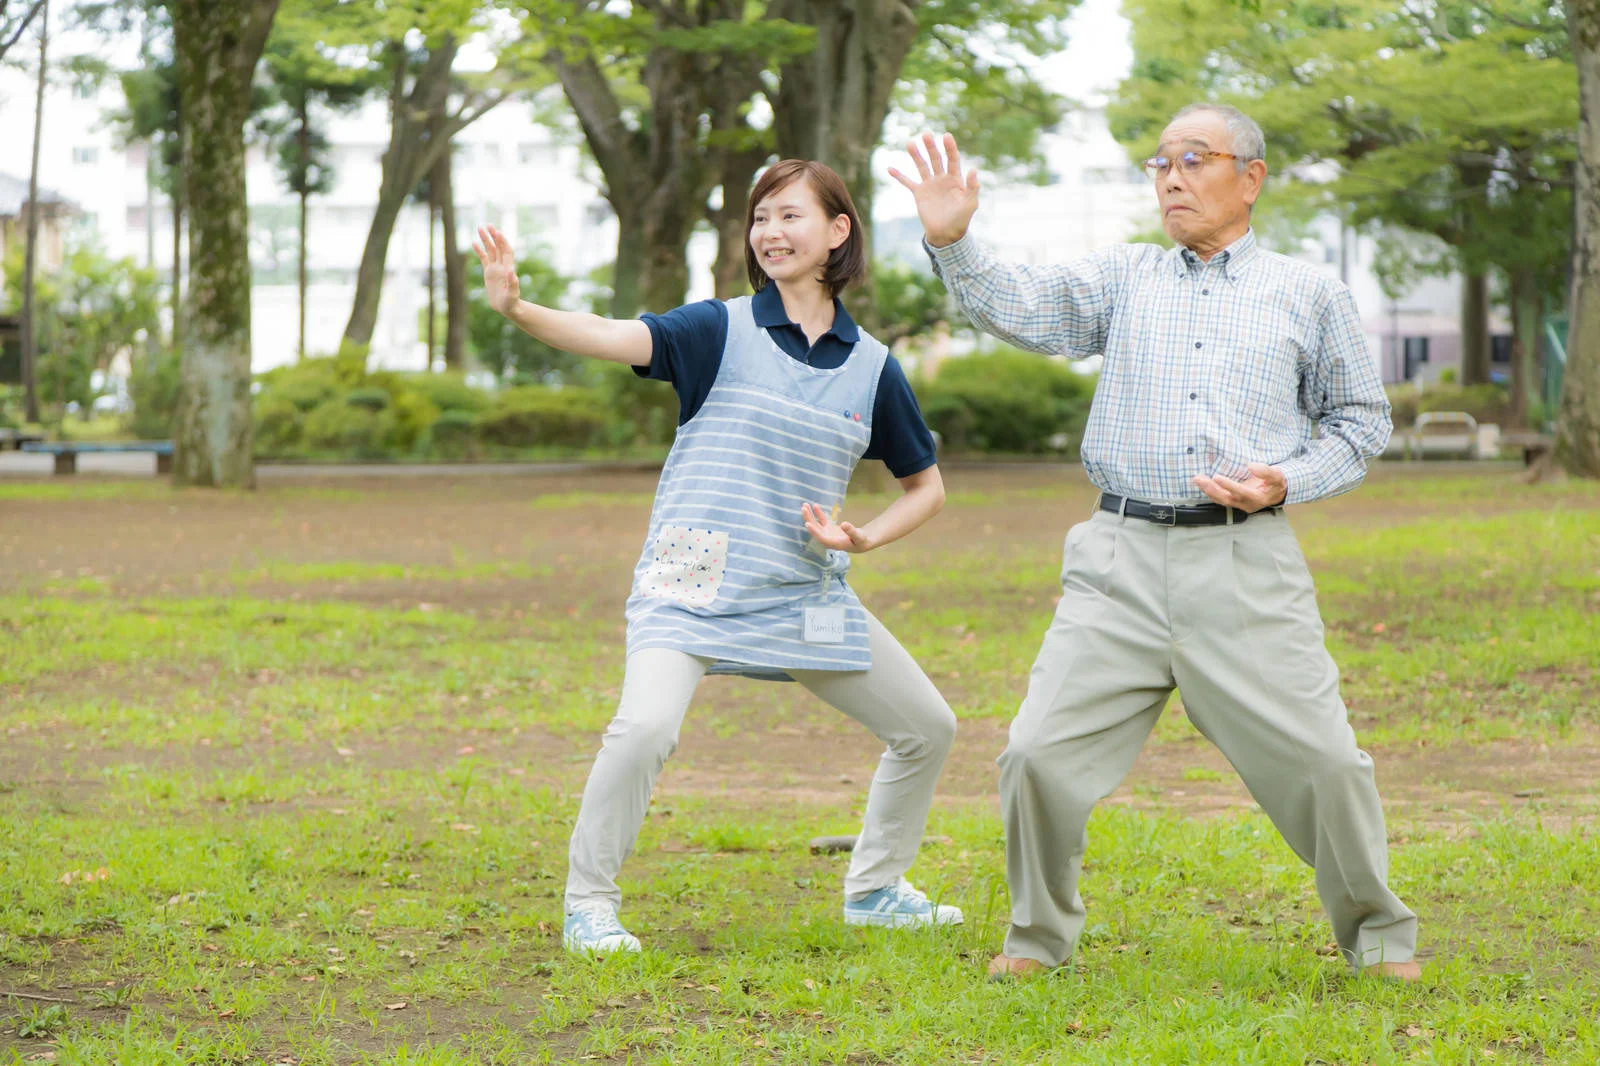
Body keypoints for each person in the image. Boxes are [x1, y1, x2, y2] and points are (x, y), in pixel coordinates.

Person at [891, 104, 1421, 981]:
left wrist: (1285, 479)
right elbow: (1024, 308)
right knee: (1036, 754)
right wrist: (955, 244)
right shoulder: (1127, 277)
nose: (1171, 178)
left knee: (1326, 762)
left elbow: (1360, 423)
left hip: (1245, 561)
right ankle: (1036, 938)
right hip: (1118, 558)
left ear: (1249, 178)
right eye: (1160, 163)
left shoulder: (1308, 291)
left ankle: (1377, 934)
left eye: (1193, 159)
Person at [475, 159, 963, 956]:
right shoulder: (718, 329)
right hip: (691, 581)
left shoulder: (872, 365)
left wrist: (866, 536)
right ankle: (588, 905)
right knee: (643, 730)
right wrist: (520, 309)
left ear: (839, 231)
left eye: (790, 216)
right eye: (760, 218)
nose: (770, 232)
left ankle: (876, 890)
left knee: (928, 729)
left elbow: (926, 488)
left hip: (802, 591)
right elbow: (614, 335)